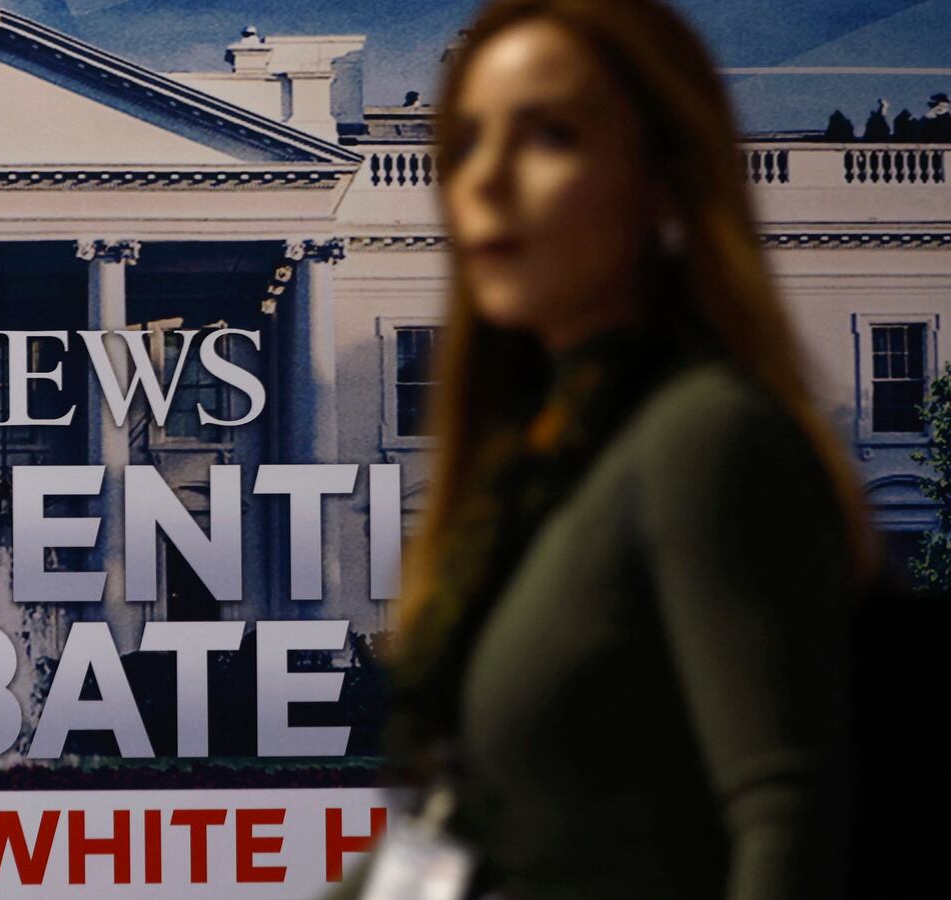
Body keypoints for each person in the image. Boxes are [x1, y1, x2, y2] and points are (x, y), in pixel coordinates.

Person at [362, 1, 877, 898]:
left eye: (549, 136)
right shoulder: (530, 475)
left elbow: (786, 817)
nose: (484, 181)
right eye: (468, 140)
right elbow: (457, 836)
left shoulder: (704, 437)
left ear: (667, 184)